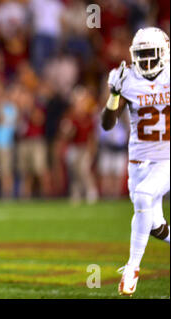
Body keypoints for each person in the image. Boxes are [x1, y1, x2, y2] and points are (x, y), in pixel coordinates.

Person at [101, 27, 170, 296]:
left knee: (142, 197)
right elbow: (107, 125)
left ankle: (132, 268)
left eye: (152, 55)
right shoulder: (126, 78)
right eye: (141, 55)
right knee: (153, 225)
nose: (147, 61)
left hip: (166, 157)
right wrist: (114, 95)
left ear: (164, 53)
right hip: (138, 161)